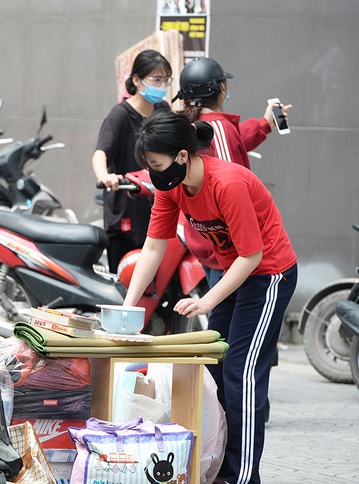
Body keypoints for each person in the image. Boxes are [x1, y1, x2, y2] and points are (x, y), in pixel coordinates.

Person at [124, 110, 297, 484]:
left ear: (183, 156)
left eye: (157, 164)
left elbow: (252, 256)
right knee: (215, 367)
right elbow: (154, 247)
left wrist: (206, 301)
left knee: (241, 373)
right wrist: (127, 305)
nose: (154, 173)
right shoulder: (171, 187)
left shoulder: (227, 183)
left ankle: (242, 476)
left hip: (269, 275)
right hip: (232, 274)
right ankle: (218, 468)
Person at [171, 57, 292, 288]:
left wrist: (264, 123)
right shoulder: (218, 127)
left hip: (206, 241)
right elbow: (228, 181)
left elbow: (229, 144)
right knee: (230, 321)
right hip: (228, 252)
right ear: (222, 88)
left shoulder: (192, 126)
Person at [92, 49, 172, 274]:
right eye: (157, 79)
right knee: (124, 278)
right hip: (126, 210)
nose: (162, 84)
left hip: (157, 208)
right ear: (136, 80)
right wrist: (104, 176)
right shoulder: (120, 115)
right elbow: (100, 153)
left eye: (166, 79)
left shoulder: (163, 110)